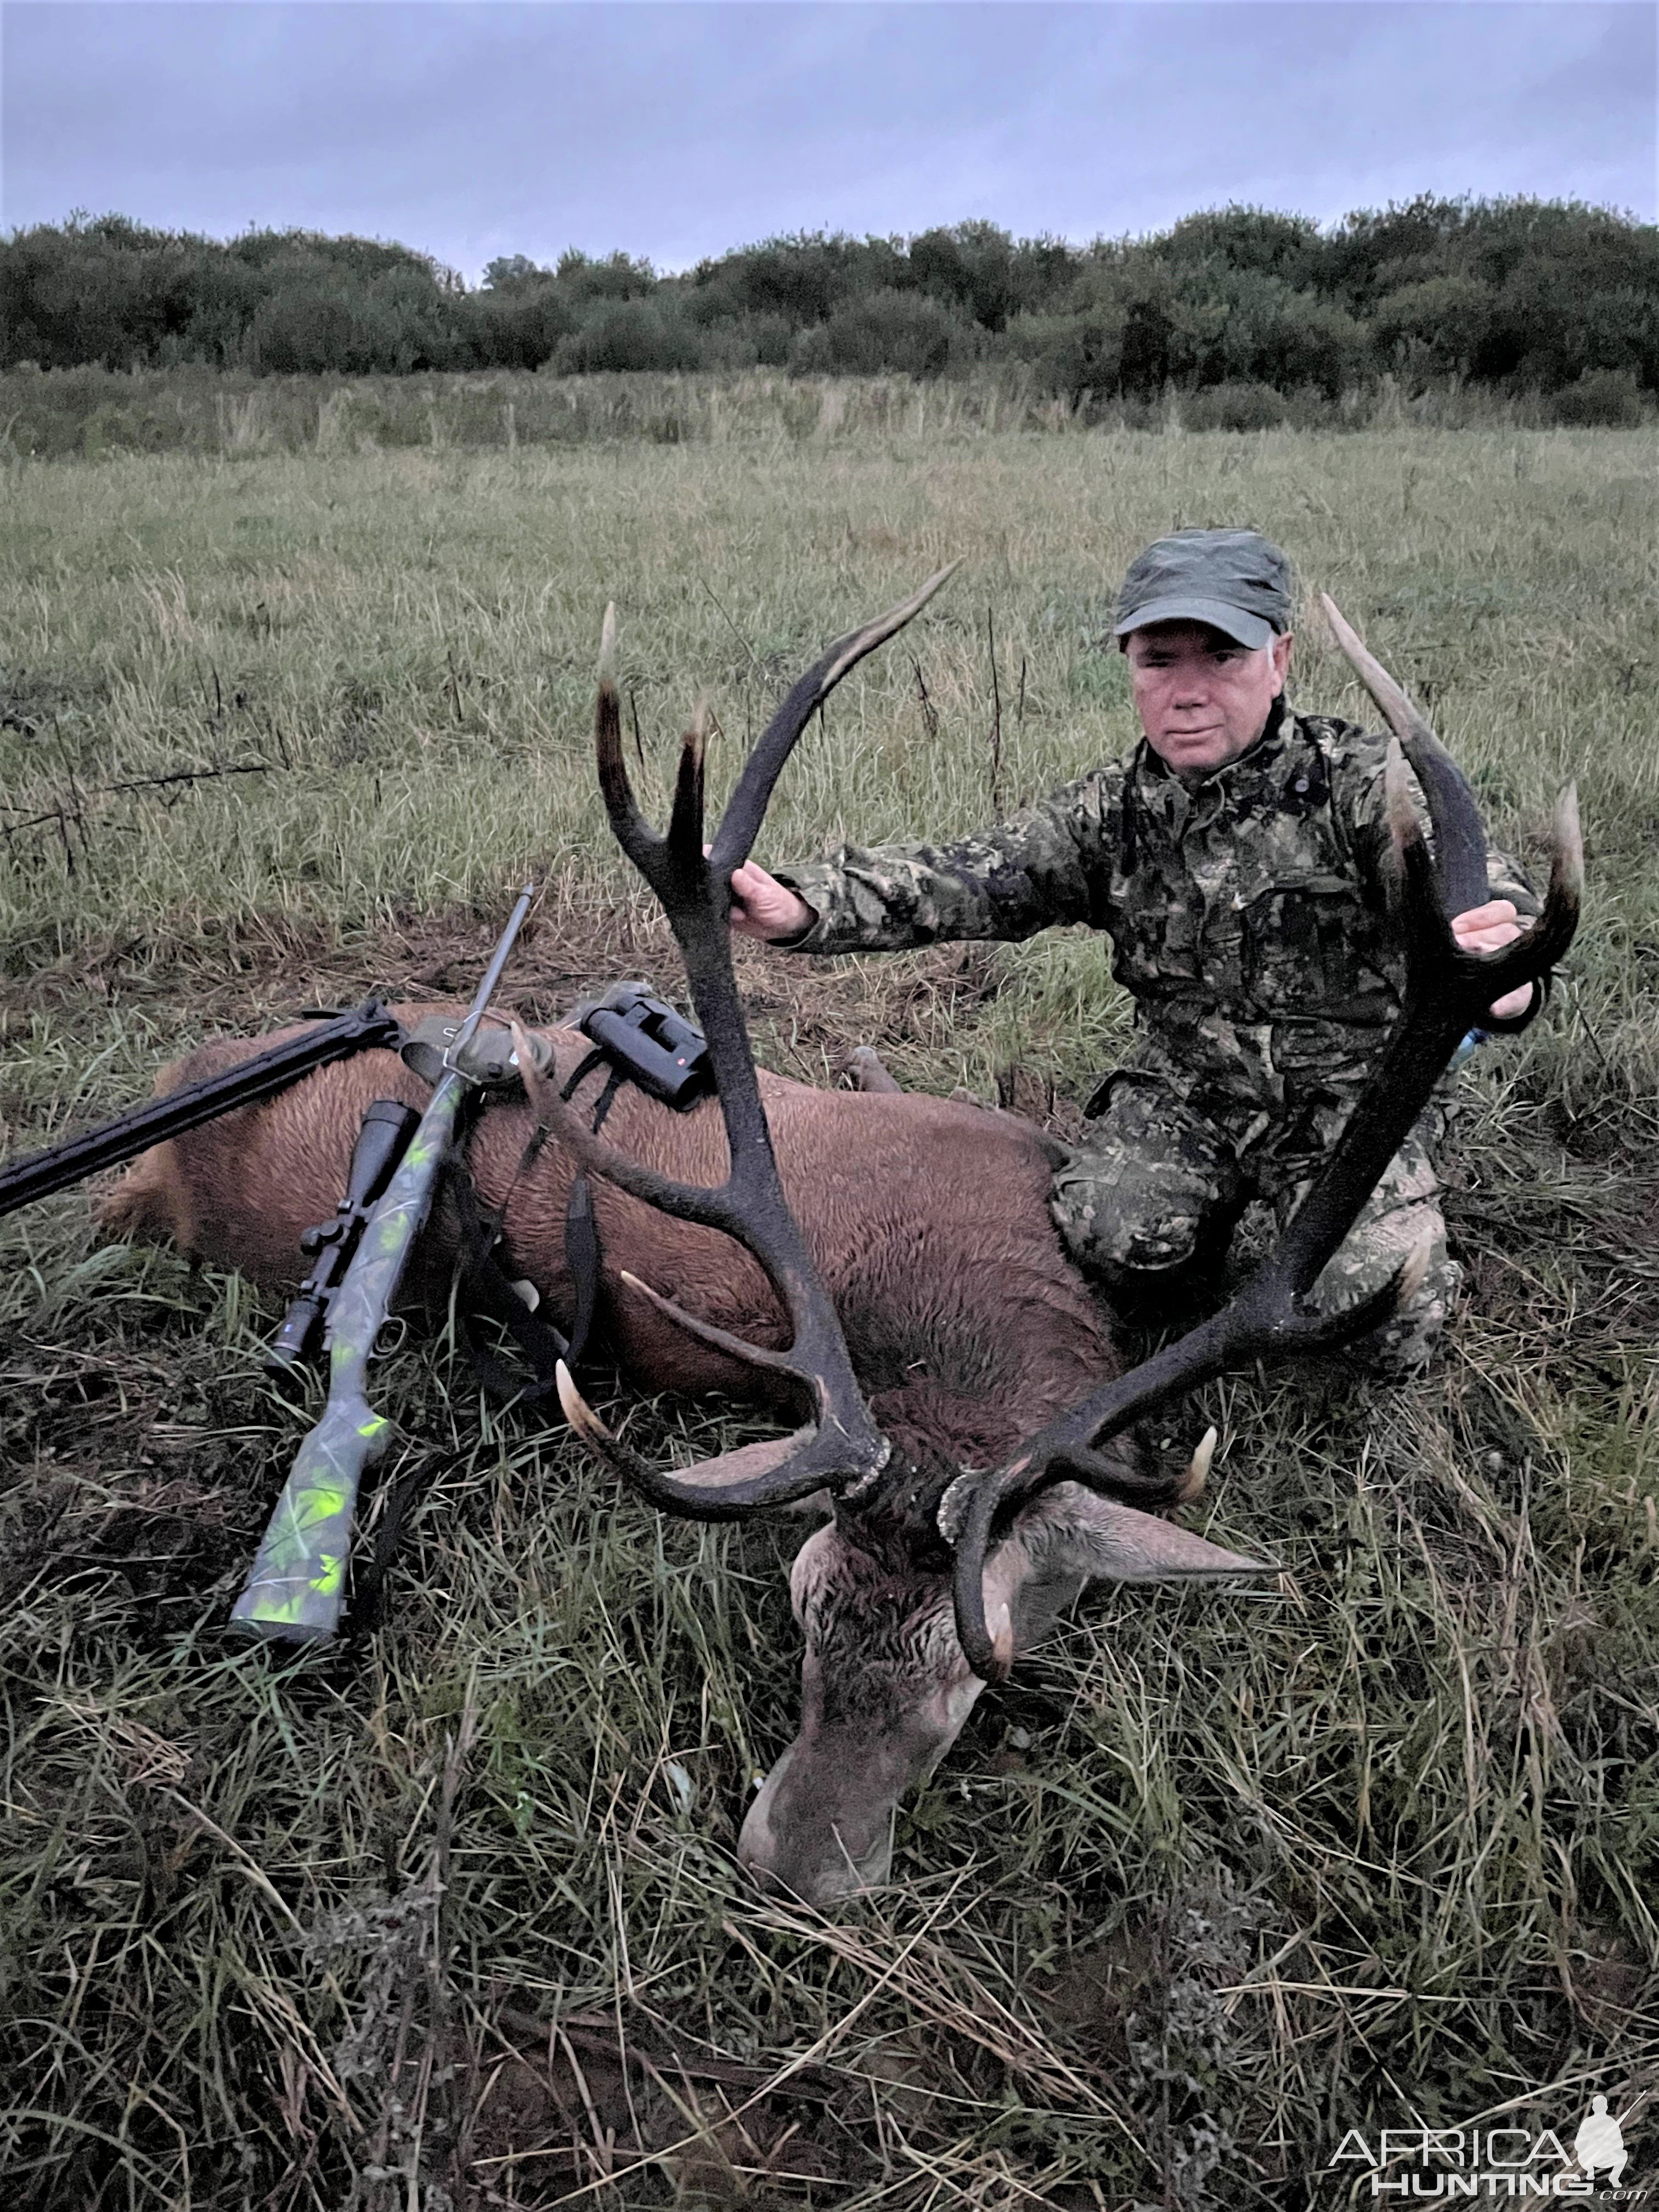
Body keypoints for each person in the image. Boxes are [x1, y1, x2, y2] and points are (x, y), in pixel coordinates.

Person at [726, 529, 1543, 1377]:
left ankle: (1363, 1233)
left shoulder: (1366, 787)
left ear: (1281, 659)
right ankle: (1199, 1254)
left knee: (1379, 1324)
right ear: (1129, 667)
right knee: (1107, 1240)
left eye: (1222, 656)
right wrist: (804, 905)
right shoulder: (1108, 812)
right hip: (1190, 1090)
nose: (1186, 693)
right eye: (1159, 661)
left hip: (1349, 1097)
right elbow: (968, 877)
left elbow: (1477, 887)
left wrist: (1498, 966)